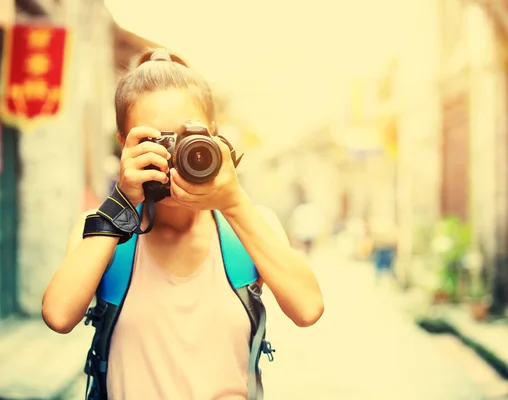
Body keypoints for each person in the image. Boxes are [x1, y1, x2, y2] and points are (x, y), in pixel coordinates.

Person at [41, 49, 324, 400]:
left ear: (215, 139)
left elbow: (308, 309)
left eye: (187, 139)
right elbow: (58, 315)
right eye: (155, 141)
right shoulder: (102, 232)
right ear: (123, 145)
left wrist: (233, 202)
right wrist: (123, 201)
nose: (174, 157)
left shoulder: (249, 227)